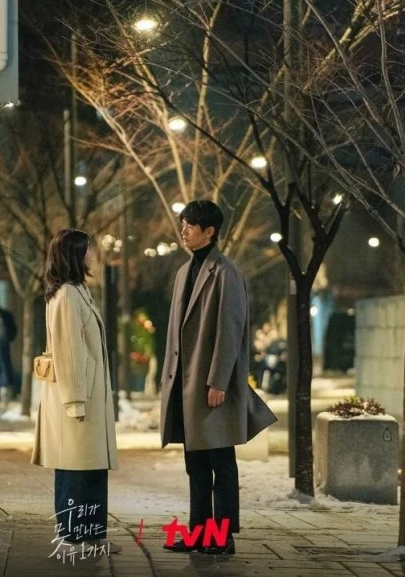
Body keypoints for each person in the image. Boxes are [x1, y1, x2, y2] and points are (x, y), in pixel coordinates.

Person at [159, 200, 277, 555]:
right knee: (195, 465)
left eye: (190, 226)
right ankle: (199, 534)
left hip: (210, 385)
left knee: (221, 463)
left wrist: (219, 382)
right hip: (185, 383)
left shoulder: (226, 273)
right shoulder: (184, 271)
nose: (183, 230)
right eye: (183, 223)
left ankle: (222, 537)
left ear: (209, 232)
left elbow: (231, 330)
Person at [31, 229, 120, 553]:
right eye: (87, 249)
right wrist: (75, 402)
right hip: (78, 396)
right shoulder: (67, 295)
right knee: (75, 469)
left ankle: (92, 535)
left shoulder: (76, 290)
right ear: (74, 255)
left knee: (91, 468)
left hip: (88, 394)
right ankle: (73, 535)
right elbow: (69, 351)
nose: (93, 254)